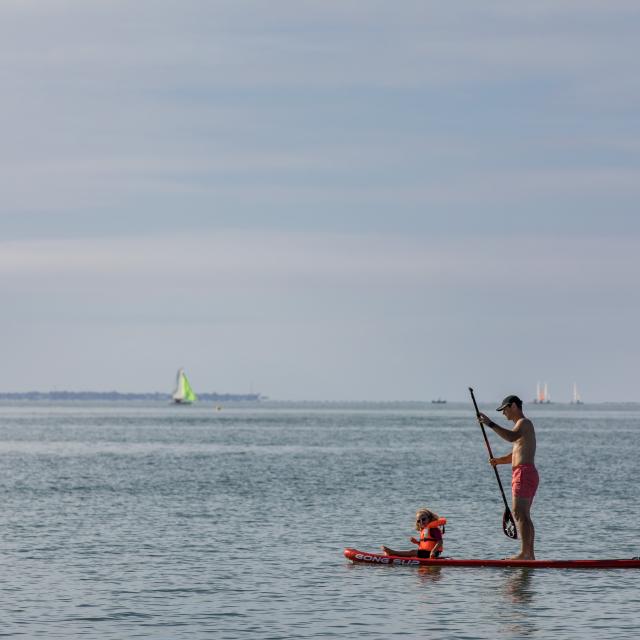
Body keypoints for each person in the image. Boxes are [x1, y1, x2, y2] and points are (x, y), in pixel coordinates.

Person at [478, 394, 538, 560]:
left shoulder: (523, 423)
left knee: (520, 513)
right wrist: (499, 461)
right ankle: (529, 554)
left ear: (513, 406)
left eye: (504, 410)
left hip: (524, 473)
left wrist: (490, 424)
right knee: (523, 514)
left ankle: (525, 554)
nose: (503, 414)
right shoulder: (522, 426)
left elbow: (511, 437)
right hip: (524, 472)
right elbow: (517, 453)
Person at [382, 508, 446, 558]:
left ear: (429, 519)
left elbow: (440, 542)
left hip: (432, 553)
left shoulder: (434, 529)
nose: (421, 522)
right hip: (426, 553)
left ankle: (393, 552)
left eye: (423, 519)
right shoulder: (425, 530)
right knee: (413, 552)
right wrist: (417, 543)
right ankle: (394, 553)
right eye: (419, 521)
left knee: (412, 552)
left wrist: (433, 552)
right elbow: (426, 546)